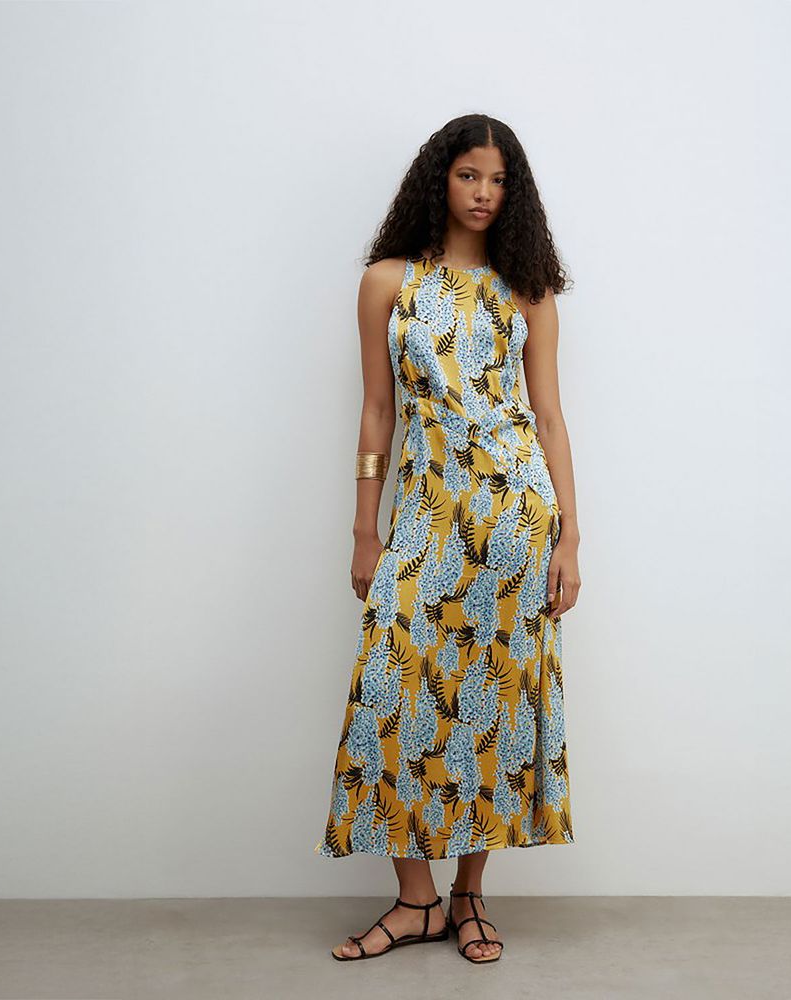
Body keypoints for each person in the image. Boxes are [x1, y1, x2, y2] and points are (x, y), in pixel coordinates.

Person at [314, 113, 582, 965]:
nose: (483, 194)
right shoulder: (387, 282)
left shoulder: (526, 289)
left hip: (514, 522)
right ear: (440, 179)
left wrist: (570, 540)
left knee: (490, 706)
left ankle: (467, 896)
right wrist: (365, 529)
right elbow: (377, 410)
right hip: (425, 520)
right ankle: (415, 900)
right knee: (393, 692)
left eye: (499, 181)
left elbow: (548, 417)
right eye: (469, 175)